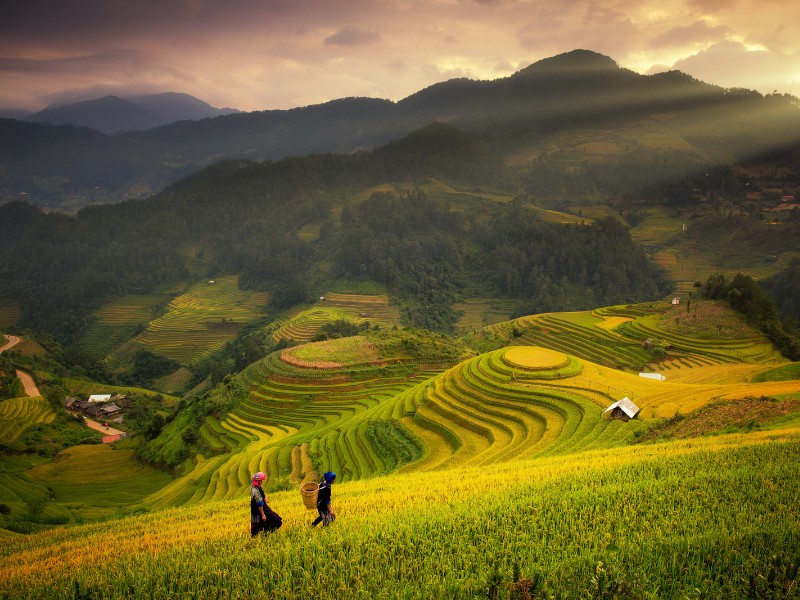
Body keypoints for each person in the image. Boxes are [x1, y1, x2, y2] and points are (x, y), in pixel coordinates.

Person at [250, 472, 282, 536]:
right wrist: (263, 514)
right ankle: (266, 534)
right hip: (260, 508)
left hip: (254, 508)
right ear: (259, 481)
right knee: (277, 521)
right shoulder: (255, 490)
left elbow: (260, 497)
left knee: (258, 524)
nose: (262, 481)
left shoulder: (254, 487)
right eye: (261, 480)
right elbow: (259, 503)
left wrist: (265, 498)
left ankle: (265, 534)